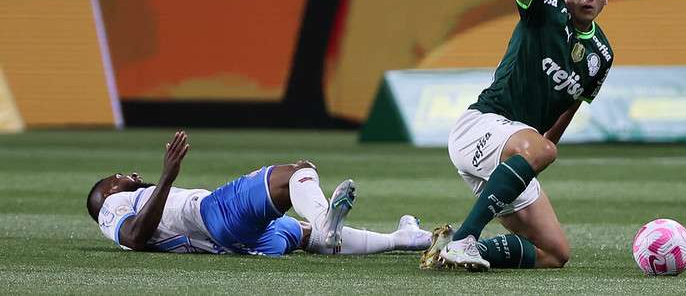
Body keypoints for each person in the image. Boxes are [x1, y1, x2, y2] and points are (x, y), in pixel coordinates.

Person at [421, 0, 613, 271]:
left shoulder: (601, 54)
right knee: (541, 147)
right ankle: (467, 240)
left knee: (555, 254)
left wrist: (537, 157)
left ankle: (448, 250)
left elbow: (569, 107)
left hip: (513, 154)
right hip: (482, 126)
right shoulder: (545, 10)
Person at [87, 131, 431, 256]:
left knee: (310, 236)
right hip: (214, 214)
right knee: (298, 172)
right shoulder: (110, 206)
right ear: (107, 191)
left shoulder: (133, 203)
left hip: (236, 243)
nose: (130, 175)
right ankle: (324, 218)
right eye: (118, 177)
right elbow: (133, 238)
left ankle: (405, 239)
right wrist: (166, 177)